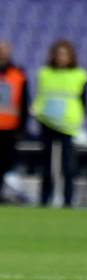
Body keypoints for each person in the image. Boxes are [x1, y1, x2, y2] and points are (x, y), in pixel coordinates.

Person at [32, 40, 87, 207]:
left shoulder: (80, 75)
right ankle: (44, 200)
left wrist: (79, 121)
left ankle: (68, 201)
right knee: (46, 165)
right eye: (58, 54)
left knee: (68, 166)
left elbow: (84, 101)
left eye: (64, 54)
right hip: (47, 121)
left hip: (67, 124)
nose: (61, 58)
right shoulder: (44, 73)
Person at [0, 41, 28, 201]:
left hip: (10, 128)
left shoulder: (18, 74)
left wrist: (21, 127)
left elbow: (24, 102)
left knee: (6, 164)